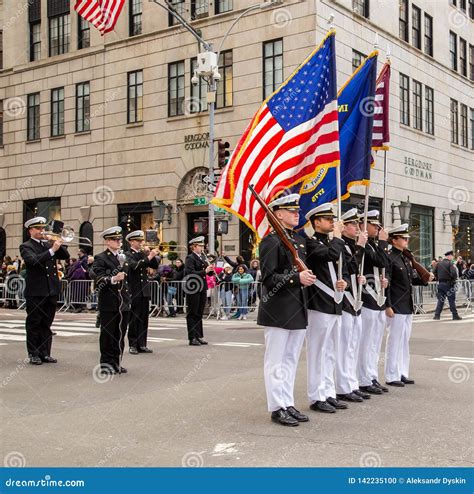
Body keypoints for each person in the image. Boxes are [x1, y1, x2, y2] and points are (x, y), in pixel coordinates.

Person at [258, 194, 316, 426]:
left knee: (290, 359)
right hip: (278, 310)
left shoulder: (298, 241)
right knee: (276, 361)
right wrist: (296, 278)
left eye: (296, 210)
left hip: (297, 308)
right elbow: (270, 279)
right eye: (291, 210)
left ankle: (287, 402)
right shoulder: (271, 242)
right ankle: (277, 407)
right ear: (278, 214)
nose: (296, 213)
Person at [305, 203, 348, 414]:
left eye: (332, 219)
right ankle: (316, 396)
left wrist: (344, 282)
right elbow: (330, 255)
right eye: (327, 218)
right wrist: (338, 236)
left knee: (331, 351)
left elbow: (342, 267)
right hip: (319, 304)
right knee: (317, 352)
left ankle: (329, 392)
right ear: (316, 222)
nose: (332, 221)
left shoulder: (332, 243)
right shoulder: (312, 244)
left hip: (334, 303)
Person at [385, 224, 434, 386]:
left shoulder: (406, 258)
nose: (407, 240)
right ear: (394, 240)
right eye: (403, 238)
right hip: (396, 305)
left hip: (407, 305)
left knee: (404, 341)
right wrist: (388, 305)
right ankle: (392, 375)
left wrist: (425, 278)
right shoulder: (390, 257)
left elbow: (411, 279)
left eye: (407, 238)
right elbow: (388, 284)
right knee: (394, 341)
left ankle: (402, 372)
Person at [19, 217, 70, 365]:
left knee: (47, 323)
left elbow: (65, 256)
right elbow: (34, 261)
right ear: (31, 231)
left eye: (42, 228)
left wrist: (58, 243)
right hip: (36, 291)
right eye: (38, 229)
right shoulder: (26, 246)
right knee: (34, 323)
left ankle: (45, 352)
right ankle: (33, 353)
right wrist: (52, 249)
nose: (42, 231)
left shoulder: (48, 244)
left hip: (51, 289)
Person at [336, 208, 370, 402]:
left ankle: (351, 382)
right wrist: (360, 247)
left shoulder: (351, 245)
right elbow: (349, 265)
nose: (357, 227)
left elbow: (355, 269)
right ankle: (342, 386)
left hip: (355, 300)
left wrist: (360, 278)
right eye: (353, 224)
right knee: (344, 345)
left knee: (353, 345)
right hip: (345, 300)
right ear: (344, 227)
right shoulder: (344, 245)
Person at [357, 210, 390, 395]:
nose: (377, 228)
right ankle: (363, 378)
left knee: (375, 342)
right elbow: (381, 261)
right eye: (373, 225)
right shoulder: (362, 245)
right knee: (366, 342)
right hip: (367, 298)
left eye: (378, 225)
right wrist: (384, 243)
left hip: (376, 297)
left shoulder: (372, 245)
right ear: (363, 225)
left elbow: (383, 264)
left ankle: (371, 375)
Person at [93, 226, 131, 375]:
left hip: (123, 302)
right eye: (115, 240)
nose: (118, 242)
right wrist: (113, 279)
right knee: (108, 334)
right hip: (109, 302)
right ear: (107, 242)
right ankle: (106, 364)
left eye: (119, 239)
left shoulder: (123, 257)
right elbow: (98, 278)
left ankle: (117, 361)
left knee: (120, 334)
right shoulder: (101, 258)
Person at [125, 230, 160, 354]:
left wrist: (152, 255)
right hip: (134, 290)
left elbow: (154, 265)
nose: (141, 243)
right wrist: (148, 256)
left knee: (144, 318)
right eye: (138, 241)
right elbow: (135, 266)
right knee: (134, 318)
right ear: (131, 242)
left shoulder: (141, 254)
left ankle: (142, 343)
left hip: (144, 290)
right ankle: (133, 344)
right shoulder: (127, 254)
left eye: (141, 241)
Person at [184, 236, 213, 346]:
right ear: (194, 247)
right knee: (193, 312)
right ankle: (192, 337)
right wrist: (204, 271)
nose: (202, 248)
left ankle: (199, 335)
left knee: (199, 313)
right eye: (200, 246)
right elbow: (190, 273)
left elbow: (206, 274)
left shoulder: (202, 258)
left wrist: (210, 270)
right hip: (193, 287)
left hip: (201, 287)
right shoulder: (190, 258)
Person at [433, 250, 461, 320]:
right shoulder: (450, 263)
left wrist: (438, 278)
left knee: (441, 300)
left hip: (441, 284)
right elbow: (454, 273)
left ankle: (437, 315)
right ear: (449, 256)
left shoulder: (439, 264)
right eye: (452, 256)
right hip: (449, 285)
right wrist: (453, 280)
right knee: (451, 300)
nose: (453, 258)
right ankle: (455, 315)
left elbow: (434, 273)